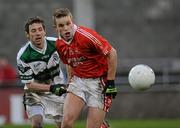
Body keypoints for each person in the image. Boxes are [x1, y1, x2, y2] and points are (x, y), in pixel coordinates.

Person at [53, 8, 117, 128]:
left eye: (68, 23)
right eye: (61, 25)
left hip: (99, 82)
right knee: (66, 123)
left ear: (72, 22)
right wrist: (70, 81)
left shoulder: (85, 36)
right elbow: (69, 62)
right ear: (56, 28)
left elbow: (112, 53)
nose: (66, 28)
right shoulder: (59, 44)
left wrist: (111, 82)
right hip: (78, 81)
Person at [16, 16, 67, 128]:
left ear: (44, 31)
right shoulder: (23, 55)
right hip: (35, 91)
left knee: (64, 125)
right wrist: (51, 88)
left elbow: (70, 60)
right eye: (33, 31)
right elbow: (29, 84)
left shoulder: (57, 43)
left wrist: (70, 80)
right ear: (27, 35)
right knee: (37, 124)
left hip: (57, 89)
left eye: (40, 29)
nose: (38, 33)